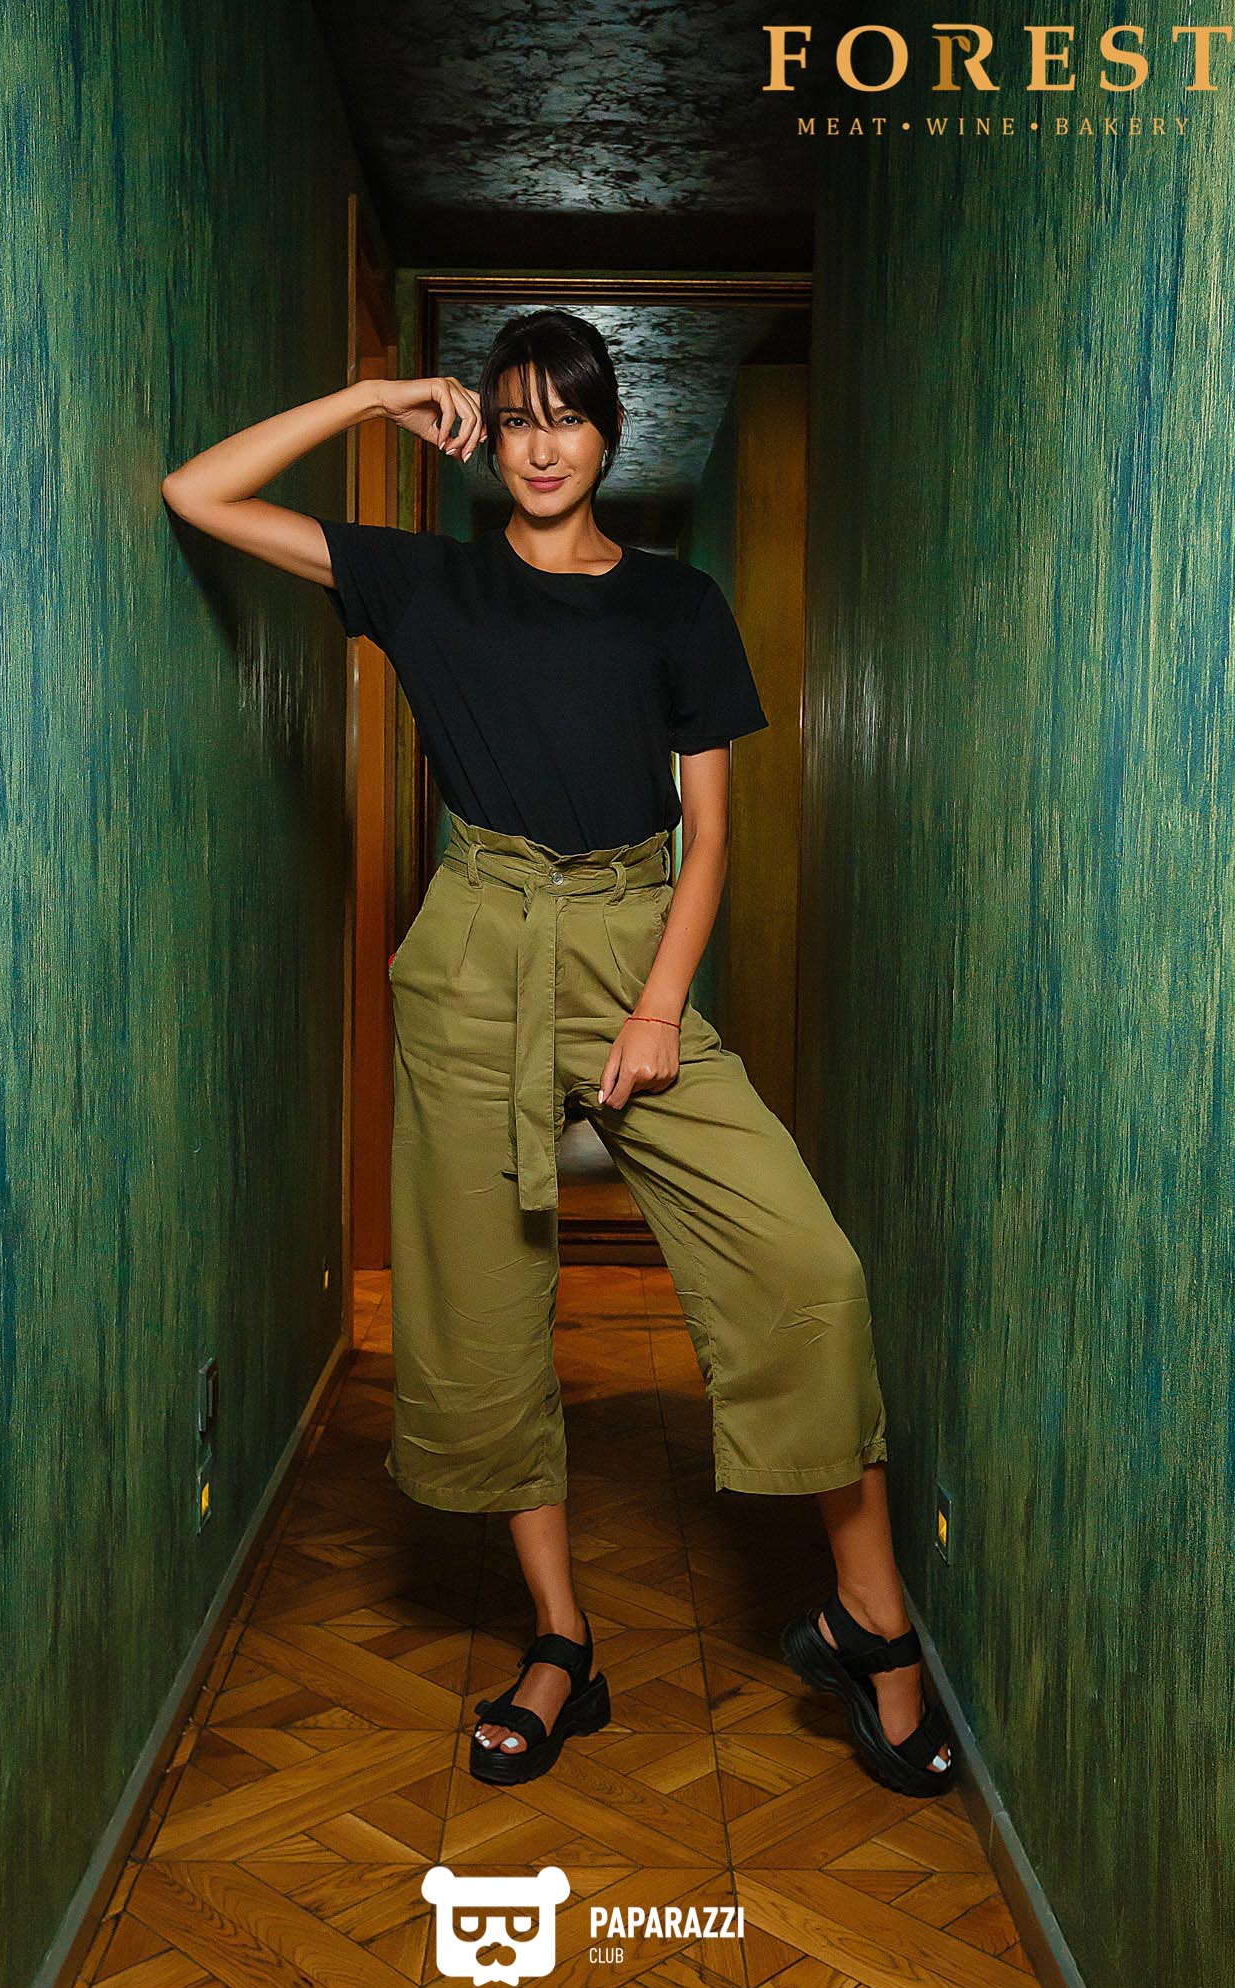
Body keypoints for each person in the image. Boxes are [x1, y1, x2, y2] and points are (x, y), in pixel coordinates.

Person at [160, 307, 955, 1798]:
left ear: (608, 432)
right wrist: (373, 394)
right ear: (485, 435)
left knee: (807, 1265)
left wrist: (657, 1007)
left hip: (630, 941)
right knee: (480, 1308)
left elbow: (712, 834)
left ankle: (870, 1618)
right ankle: (561, 1642)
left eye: (567, 416)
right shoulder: (425, 581)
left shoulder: (676, 603)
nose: (541, 445)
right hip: (472, 947)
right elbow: (197, 494)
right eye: (515, 416)